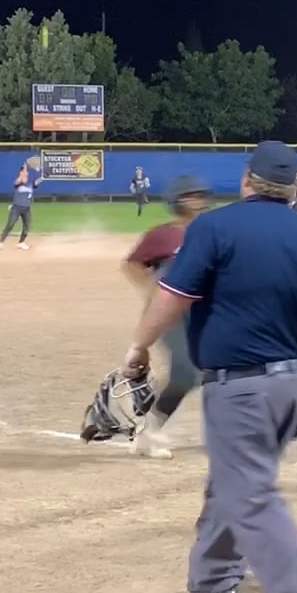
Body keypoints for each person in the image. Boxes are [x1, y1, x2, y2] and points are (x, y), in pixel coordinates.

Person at [123, 141, 297, 593]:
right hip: (292, 387)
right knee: (232, 479)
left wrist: (138, 346)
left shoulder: (215, 228)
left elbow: (173, 297)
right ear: (294, 189)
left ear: (246, 180)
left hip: (241, 388)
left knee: (249, 493)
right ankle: (214, 578)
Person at [120, 175, 211, 458]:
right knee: (185, 373)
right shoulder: (163, 235)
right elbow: (132, 264)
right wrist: (152, 291)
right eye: (191, 196)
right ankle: (149, 430)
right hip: (171, 314)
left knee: (220, 370)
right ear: (177, 202)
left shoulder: (213, 232)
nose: (199, 201)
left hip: (206, 313)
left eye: (200, 195)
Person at [0, 159, 43, 250]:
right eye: (23, 173)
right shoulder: (18, 182)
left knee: (27, 227)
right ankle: (0, 242)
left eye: (26, 173)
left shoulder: (31, 183)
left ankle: (21, 243)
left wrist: (43, 177)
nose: (25, 174)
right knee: (10, 224)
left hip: (27, 208)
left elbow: (37, 182)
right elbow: (19, 181)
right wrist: (25, 167)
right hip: (16, 208)